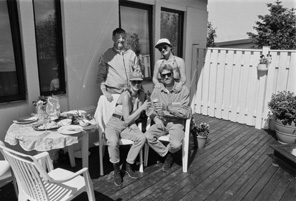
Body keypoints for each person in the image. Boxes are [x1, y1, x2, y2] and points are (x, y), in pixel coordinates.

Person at [104, 70, 150, 187]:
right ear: (130, 82)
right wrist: (141, 108)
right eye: (134, 82)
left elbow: (135, 117)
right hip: (114, 123)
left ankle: (128, 165)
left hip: (127, 125)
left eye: (139, 82)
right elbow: (127, 118)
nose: (136, 84)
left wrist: (144, 107)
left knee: (141, 138)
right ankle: (116, 170)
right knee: (113, 142)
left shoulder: (141, 94)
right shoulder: (125, 95)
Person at [145, 64, 192, 171]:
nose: (166, 77)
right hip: (161, 121)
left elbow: (186, 112)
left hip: (176, 123)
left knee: (176, 145)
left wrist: (168, 108)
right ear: (160, 77)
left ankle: (170, 154)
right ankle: (168, 155)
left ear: (173, 74)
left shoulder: (183, 90)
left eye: (168, 74)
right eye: (163, 75)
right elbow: (149, 108)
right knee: (147, 136)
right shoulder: (157, 90)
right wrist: (155, 118)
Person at [96, 28, 141, 102]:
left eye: (123, 37)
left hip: (130, 93)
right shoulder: (106, 55)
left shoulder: (132, 54)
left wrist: (137, 91)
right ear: (113, 38)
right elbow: (100, 76)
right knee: (117, 113)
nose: (121, 40)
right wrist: (105, 92)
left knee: (131, 113)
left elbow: (138, 74)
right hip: (113, 94)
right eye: (118, 37)